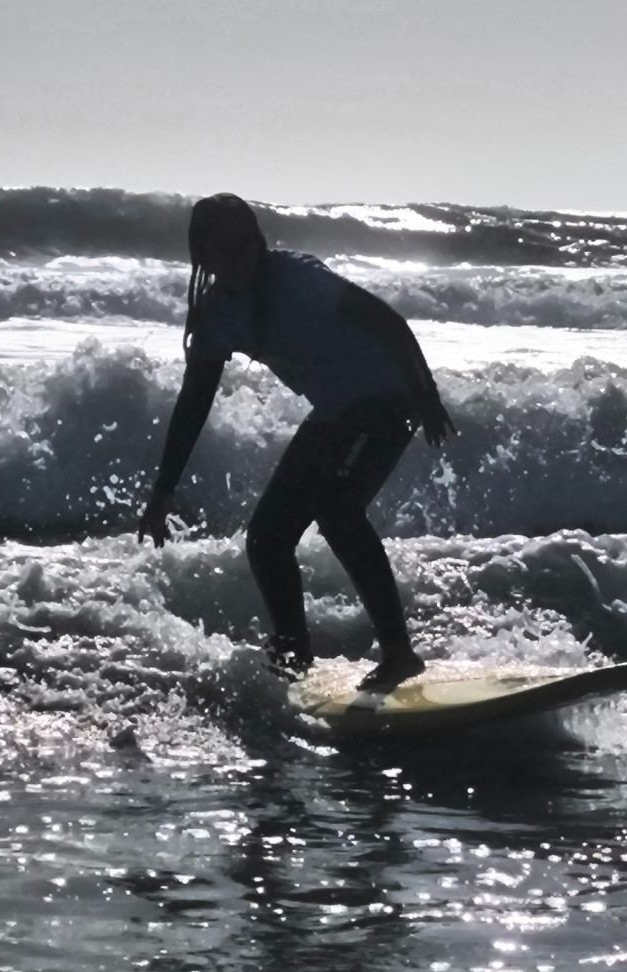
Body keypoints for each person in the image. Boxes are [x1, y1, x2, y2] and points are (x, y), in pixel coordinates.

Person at [138, 193, 455, 691]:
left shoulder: (298, 280)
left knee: (336, 511)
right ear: (205, 256)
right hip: (336, 412)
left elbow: (387, 321)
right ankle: (293, 654)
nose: (241, 257)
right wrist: (163, 489)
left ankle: (399, 653)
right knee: (266, 538)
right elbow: (194, 402)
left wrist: (426, 393)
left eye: (248, 244)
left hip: (388, 397)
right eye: (226, 249)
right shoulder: (218, 314)